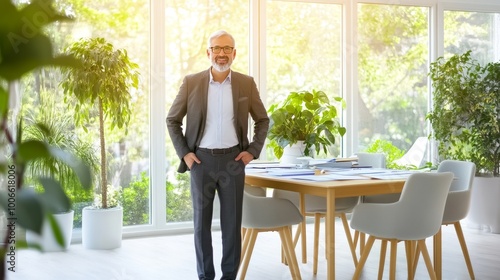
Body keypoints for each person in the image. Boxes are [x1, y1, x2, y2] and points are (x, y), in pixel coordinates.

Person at [166, 30, 269, 280]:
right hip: (201, 162)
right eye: (217, 48)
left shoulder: (246, 83)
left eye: (226, 49)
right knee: (201, 224)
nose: (221, 53)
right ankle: (205, 276)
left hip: (234, 161)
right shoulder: (192, 82)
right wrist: (186, 155)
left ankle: (229, 277)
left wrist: (251, 152)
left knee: (232, 225)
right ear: (208, 52)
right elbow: (172, 119)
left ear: (234, 53)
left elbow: (262, 120)